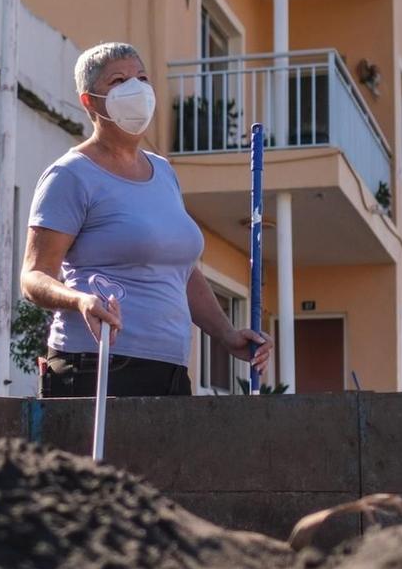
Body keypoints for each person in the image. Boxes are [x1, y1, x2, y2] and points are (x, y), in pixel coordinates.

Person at [22, 42, 273, 397]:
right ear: (89, 101)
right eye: (118, 80)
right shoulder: (70, 175)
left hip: (169, 369)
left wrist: (226, 334)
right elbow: (33, 277)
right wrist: (79, 299)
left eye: (142, 77)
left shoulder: (164, 172)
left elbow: (182, 271)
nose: (135, 88)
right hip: (97, 365)